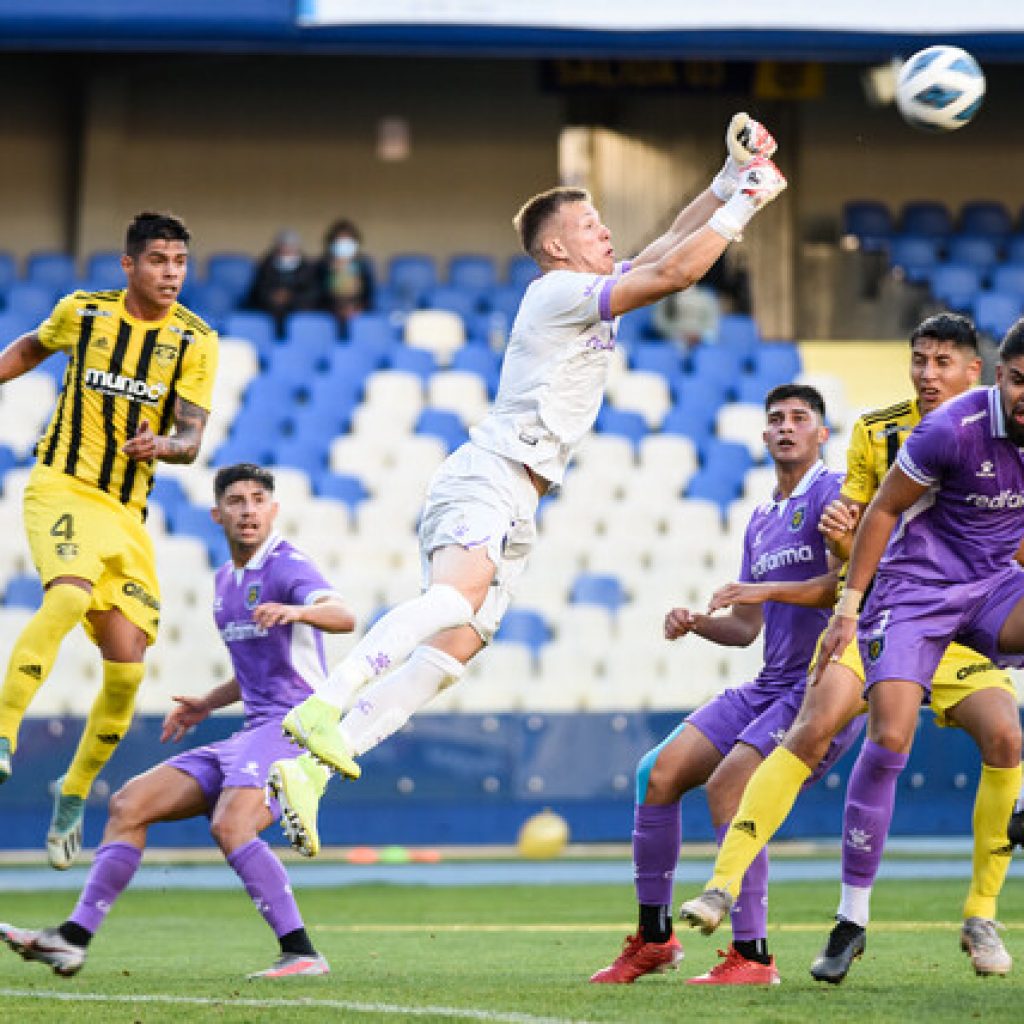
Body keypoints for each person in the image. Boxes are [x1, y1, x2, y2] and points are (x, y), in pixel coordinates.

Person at [265, 113, 788, 857]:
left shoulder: (587, 285)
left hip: (519, 496)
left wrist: (728, 177)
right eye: (592, 223)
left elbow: (673, 239)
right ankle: (325, 704)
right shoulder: (556, 292)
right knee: (452, 602)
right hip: (489, 474)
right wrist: (748, 204)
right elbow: (676, 273)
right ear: (555, 246)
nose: (606, 233)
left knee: (452, 652)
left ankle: (310, 770)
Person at [679, 313, 1023, 980]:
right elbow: (867, 528)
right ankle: (823, 912)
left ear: (972, 369)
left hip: (982, 599)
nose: (928, 373)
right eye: (919, 360)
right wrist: (847, 598)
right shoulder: (893, 432)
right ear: (1002, 377)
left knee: (1007, 737)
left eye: (942, 362)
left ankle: (982, 915)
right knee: (856, 732)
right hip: (899, 603)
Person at [0, 463, 354, 979]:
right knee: (129, 804)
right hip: (253, 732)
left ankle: (302, 953)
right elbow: (258, 667)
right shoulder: (224, 583)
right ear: (217, 513)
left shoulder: (287, 565)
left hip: (296, 731)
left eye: (259, 499)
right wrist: (208, 703)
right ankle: (72, 939)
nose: (249, 509)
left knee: (230, 824)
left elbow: (343, 615)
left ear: (273, 510)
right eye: (236, 501)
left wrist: (297, 612)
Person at [589, 384, 863, 987]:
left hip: (822, 684)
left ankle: (754, 956)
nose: (786, 427)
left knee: (728, 785)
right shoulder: (762, 518)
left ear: (821, 433)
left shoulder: (836, 491)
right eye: (775, 419)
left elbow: (844, 586)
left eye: (800, 418)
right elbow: (744, 629)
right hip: (769, 682)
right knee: (655, 773)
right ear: (763, 436)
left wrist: (761, 591)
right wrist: (698, 623)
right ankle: (655, 940)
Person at [0, 211, 219, 869]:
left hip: (126, 515)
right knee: (65, 599)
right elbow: (30, 349)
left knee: (126, 672)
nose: (171, 274)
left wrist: (168, 446)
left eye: (179, 262)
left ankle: (73, 790)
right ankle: (2, 733)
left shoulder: (196, 341)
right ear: (129, 266)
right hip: (62, 488)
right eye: (158, 261)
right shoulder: (85, 313)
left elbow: (191, 437)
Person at [246, 229, 319, 338]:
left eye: (290, 247)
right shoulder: (266, 266)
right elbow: (257, 291)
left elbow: (312, 293)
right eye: (283, 246)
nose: (286, 250)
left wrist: (291, 298)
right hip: (269, 312)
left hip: (297, 313)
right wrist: (273, 297)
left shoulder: (307, 268)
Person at [316, 218, 374, 335]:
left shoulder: (363, 264)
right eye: (340, 240)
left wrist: (358, 308)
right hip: (330, 316)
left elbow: (369, 292)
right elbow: (317, 292)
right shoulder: (322, 265)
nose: (343, 244)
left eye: (347, 240)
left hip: (357, 315)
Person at [652, 284, 721, 350]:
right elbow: (659, 322)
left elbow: (712, 323)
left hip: (700, 339)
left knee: (711, 341)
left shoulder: (706, 298)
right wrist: (678, 334)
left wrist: (699, 335)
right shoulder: (666, 298)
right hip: (673, 339)